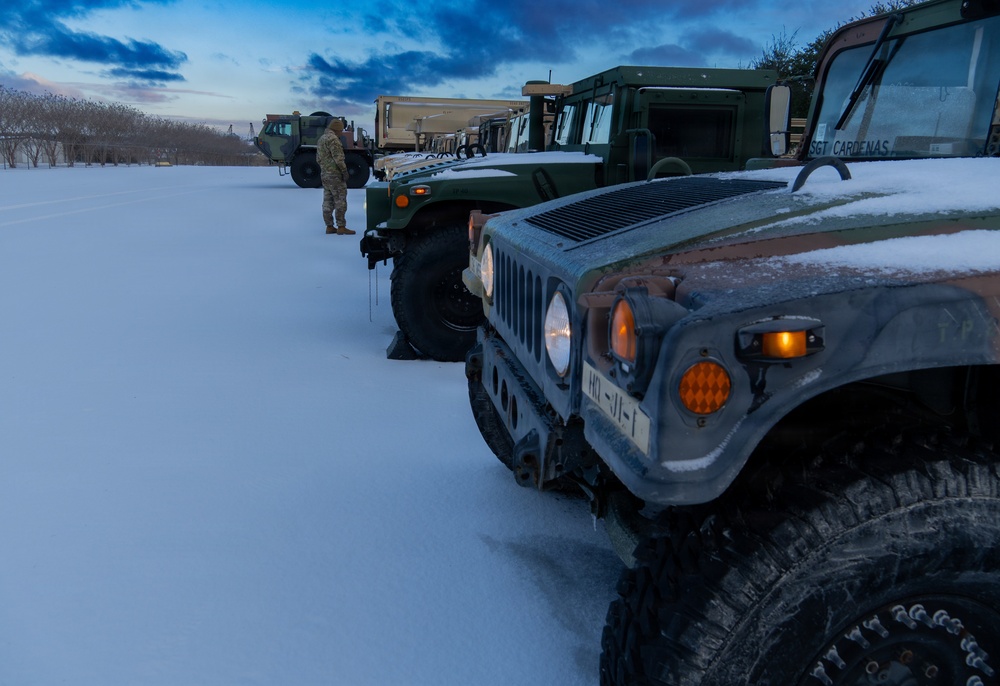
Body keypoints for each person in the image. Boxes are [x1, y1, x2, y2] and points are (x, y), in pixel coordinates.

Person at [317, 119, 354, 235]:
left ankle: (329, 226)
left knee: (327, 200)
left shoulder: (321, 139)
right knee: (340, 200)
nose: (341, 133)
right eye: (341, 130)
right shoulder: (333, 140)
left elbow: (318, 158)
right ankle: (341, 226)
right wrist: (344, 171)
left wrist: (325, 168)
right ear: (337, 129)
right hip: (335, 175)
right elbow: (339, 159)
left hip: (325, 174)